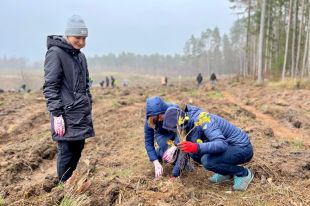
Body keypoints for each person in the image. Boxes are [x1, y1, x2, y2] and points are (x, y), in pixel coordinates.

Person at [43, 15, 95, 183]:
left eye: (84, 38)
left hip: (80, 114)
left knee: (78, 148)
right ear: (68, 35)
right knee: (66, 151)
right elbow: (51, 86)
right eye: (77, 37)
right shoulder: (55, 53)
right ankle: (63, 186)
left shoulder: (81, 57)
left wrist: (88, 102)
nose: (81, 41)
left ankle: (69, 181)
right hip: (65, 114)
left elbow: (85, 85)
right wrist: (57, 114)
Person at [163, 105, 254, 191]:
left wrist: (195, 147)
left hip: (242, 147)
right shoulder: (185, 127)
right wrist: (175, 175)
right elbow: (185, 152)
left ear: (182, 123)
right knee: (193, 153)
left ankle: (243, 173)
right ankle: (226, 172)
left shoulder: (204, 120)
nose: (175, 132)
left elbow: (221, 144)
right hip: (228, 147)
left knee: (208, 161)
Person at [144, 96, 186, 178]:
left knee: (178, 148)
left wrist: (174, 147)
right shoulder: (149, 121)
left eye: (160, 116)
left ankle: (183, 163)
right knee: (170, 153)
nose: (159, 120)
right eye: (156, 118)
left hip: (177, 132)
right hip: (162, 135)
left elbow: (182, 131)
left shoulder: (174, 110)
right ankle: (160, 153)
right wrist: (155, 163)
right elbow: (148, 142)